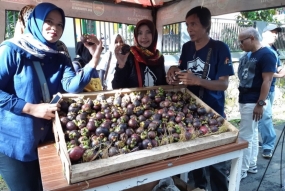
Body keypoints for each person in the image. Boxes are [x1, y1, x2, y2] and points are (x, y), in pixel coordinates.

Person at [0, 2, 102, 191]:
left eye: (60, 24)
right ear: (35, 22)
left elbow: (72, 86)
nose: (54, 28)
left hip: (47, 139)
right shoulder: (12, 51)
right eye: (48, 21)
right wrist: (31, 108)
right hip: (15, 143)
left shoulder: (59, 57)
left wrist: (94, 59)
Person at [166, 6, 234, 191]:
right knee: (195, 164)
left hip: (213, 115)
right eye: (187, 24)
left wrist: (198, 80)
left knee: (217, 165)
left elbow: (223, 84)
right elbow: (182, 71)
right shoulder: (187, 48)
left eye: (194, 24)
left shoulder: (220, 48)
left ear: (206, 25)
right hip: (189, 114)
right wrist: (173, 70)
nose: (189, 29)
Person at [237, 27, 276, 180]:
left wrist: (260, 103)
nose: (240, 44)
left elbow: (268, 81)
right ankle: (251, 165)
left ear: (252, 38)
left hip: (253, 101)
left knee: (244, 136)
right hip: (245, 98)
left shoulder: (267, 54)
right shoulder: (249, 54)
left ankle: (241, 170)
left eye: (242, 41)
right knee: (252, 134)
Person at [112, 19, 167, 88]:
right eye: (140, 33)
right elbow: (116, 87)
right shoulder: (129, 55)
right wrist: (121, 66)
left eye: (148, 32)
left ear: (154, 34)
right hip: (135, 98)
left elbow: (163, 84)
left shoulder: (159, 57)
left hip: (157, 98)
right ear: (136, 36)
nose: (144, 37)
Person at [259, 24, 285, 159]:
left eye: (276, 33)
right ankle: (268, 146)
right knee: (266, 116)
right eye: (272, 32)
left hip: (272, 88)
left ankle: (262, 141)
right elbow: (260, 72)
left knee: (263, 116)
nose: (275, 35)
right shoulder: (259, 49)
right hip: (261, 89)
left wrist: (279, 71)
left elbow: (279, 68)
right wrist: (276, 74)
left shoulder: (274, 50)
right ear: (263, 33)